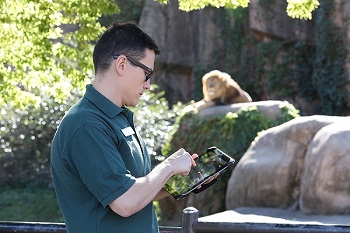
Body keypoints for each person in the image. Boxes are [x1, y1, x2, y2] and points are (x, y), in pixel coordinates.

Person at [51, 21, 200, 233]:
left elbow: (136, 190)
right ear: (121, 64)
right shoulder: (86, 125)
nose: (148, 84)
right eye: (147, 73)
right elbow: (125, 202)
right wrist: (168, 166)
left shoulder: (117, 118)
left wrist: (184, 179)